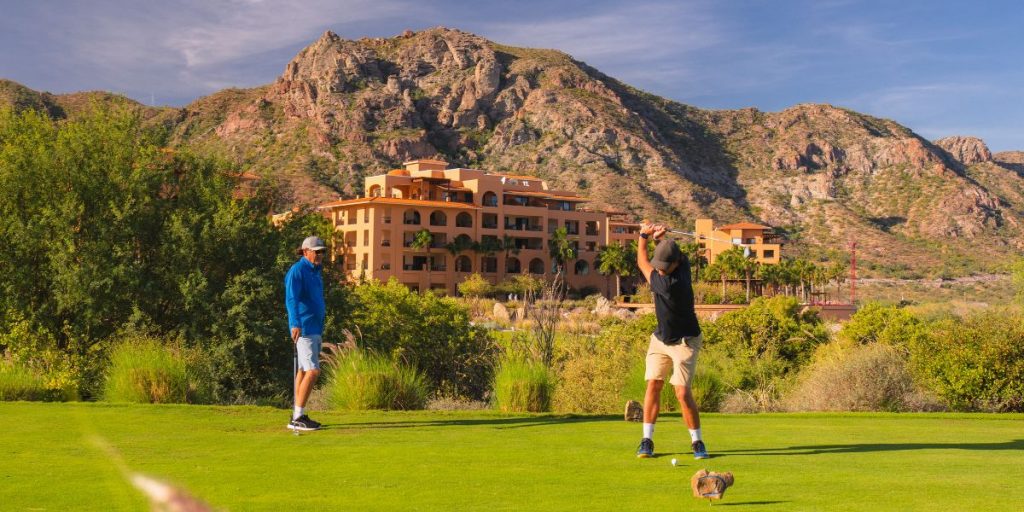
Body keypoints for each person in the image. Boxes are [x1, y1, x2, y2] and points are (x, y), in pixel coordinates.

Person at [634, 222, 709, 460]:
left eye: (666, 267)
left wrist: (643, 236)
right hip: (660, 340)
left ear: (675, 264)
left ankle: (697, 442)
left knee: (681, 392)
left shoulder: (666, 283)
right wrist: (661, 239)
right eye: (661, 266)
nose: (662, 270)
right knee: (653, 384)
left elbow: (642, 262)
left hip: (686, 342)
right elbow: (665, 253)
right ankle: (646, 440)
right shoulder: (683, 264)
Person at [284, 235, 328, 431]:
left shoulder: (316, 271)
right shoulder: (297, 271)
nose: (320, 255)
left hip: (315, 327)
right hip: (304, 328)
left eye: (322, 252)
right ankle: (298, 417)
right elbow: (291, 299)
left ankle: (297, 414)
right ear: (305, 252)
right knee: (313, 370)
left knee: (303, 370)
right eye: (316, 251)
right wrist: (295, 323)